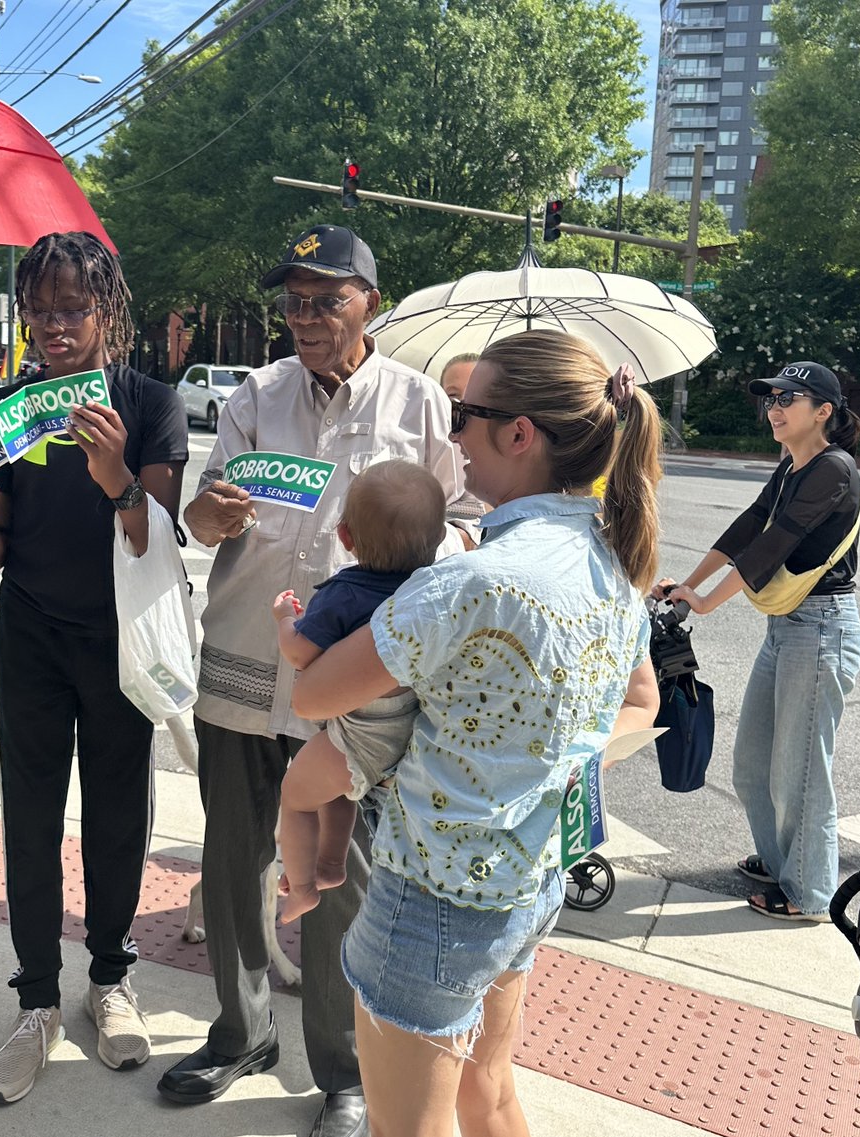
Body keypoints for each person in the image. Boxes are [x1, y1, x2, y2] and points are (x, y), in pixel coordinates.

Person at [288, 330, 663, 1137]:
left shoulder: (470, 582)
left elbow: (316, 694)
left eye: (466, 412)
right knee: (489, 1094)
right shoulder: (613, 557)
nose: (452, 432)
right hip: (533, 878)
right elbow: (640, 701)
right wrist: (551, 752)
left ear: (519, 433)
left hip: (433, 894)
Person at [159, 224, 472, 1137]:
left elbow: (464, 520)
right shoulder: (257, 391)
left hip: (352, 679)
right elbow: (210, 513)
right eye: (292, 301)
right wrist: (209, 513)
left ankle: (342, 1071)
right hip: (246, 658)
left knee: (341, 876)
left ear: (369, 300)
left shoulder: (416, 404)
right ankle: (241, 1032)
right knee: (234, 858)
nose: (303, 318)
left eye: (324, 300)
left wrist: (416, 550)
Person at [0, 231, 189, 1104]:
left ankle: (111, 979)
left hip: (121, 639)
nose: (54, 324)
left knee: (119, 812)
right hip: (33, 636)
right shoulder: (8, 404)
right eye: (39, 308)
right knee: (31, 816)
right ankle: (36, 1000)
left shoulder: (150, 403)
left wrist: (116, 472)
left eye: (72, 307)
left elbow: (154, 538)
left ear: (107, 309)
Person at [654, 361, 860, 924]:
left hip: (821, 631)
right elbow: (748, 526)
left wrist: (705, 602)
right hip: (789, 630)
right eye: (770, 398)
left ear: (823, 411)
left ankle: (810, 893)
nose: (774, 407)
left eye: (788, 398)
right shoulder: (793, 465)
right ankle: (780, 860)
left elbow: (771, 547)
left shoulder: (832, 469)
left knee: (799, 769)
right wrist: (689, 584)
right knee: (752, 762)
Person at [272, 460, 446, 924]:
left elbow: (301, 655)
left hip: (360, 736)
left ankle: (304, 886)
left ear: (345, 538)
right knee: (336, 790)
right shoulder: (429, 589)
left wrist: (284, 620)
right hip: (404, 733)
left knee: (296, 794)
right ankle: (330, 864)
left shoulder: (345, 592)